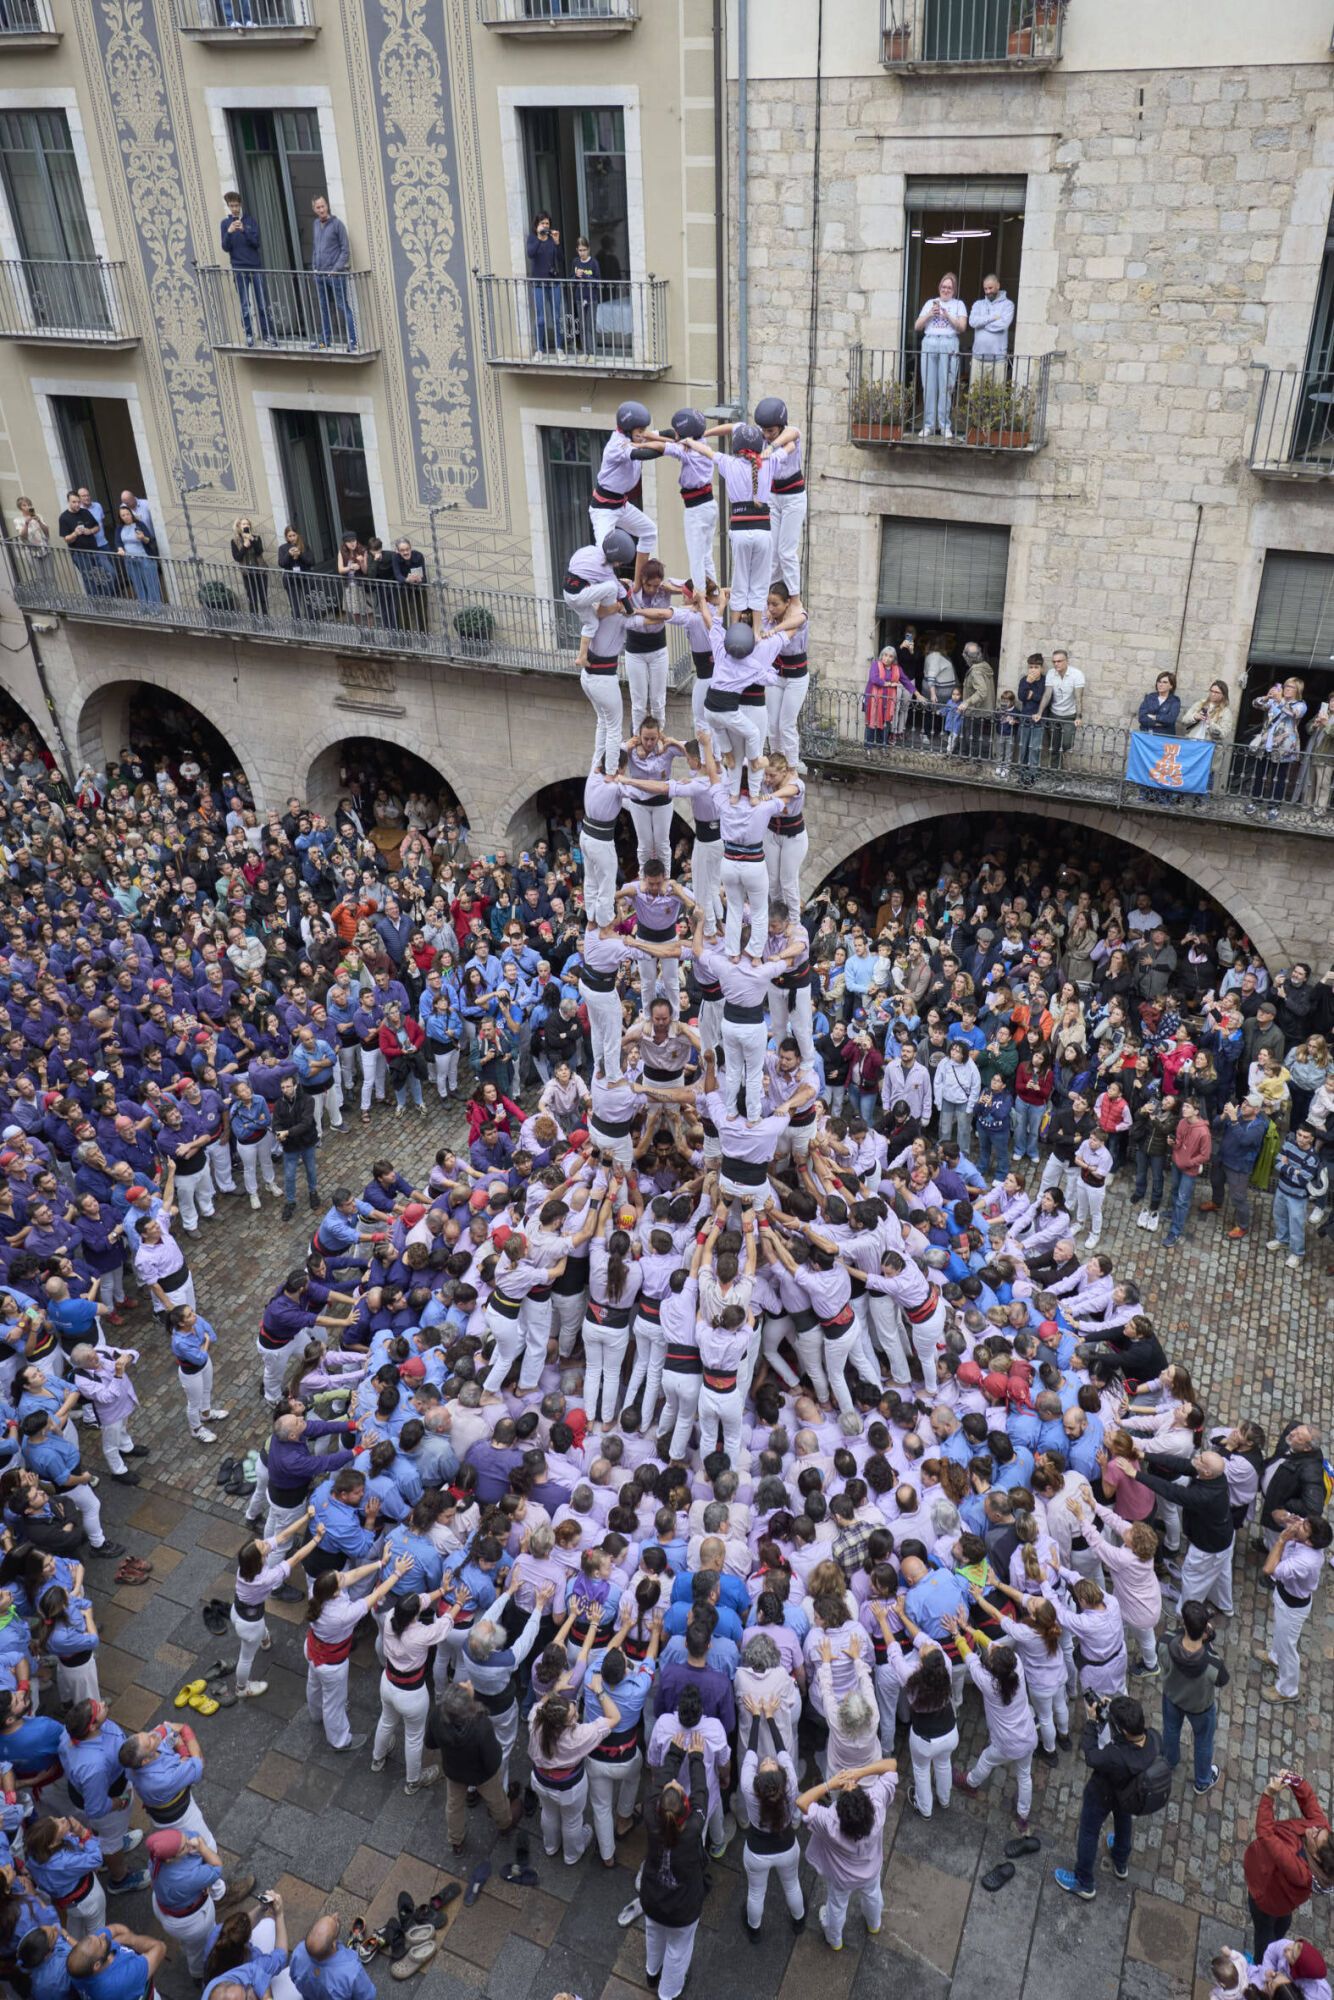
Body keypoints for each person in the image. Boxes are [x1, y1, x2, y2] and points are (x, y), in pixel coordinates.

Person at [1053, 1693, 1163, 1899]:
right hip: (1129, 1793)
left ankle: (1084, 1881)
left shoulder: (1114, 1756)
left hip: (1103, 1794)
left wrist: (1092, 1722)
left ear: (1123, 1731)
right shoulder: (1154, 1739)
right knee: (1123, 1819)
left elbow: (1091, 1756)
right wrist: (1115, 1711)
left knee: (1089, 1831)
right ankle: (1120, 1860)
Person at [796, 1754, 898, 1950]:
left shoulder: (830, 1822)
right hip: (871, 1870)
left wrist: (830, 1784)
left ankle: (834, 1940)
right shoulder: (876, 1805)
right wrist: (860, 1773)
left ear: (840, 1811)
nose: (850, 1784)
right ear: (866, 1801)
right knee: (873, 1895)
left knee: (836, 1907)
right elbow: (891, 1765)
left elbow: (802, 1802)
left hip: (842, 1878)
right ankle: (874, 1924)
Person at [640, 1733, 709, 1999]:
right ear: (686, 1808)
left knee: (653, 1934)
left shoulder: (650, 1816)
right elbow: (701, 1793)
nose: (674, 1782)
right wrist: (696, 1758)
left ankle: (652, 1971)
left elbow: (659, 1783)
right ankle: (668, 1992)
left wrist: (674, 1754)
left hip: (652, 1897)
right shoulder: (693, 1828)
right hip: (683, 1907)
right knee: (678, 1950)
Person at [1243, 1773, 1334, 1959]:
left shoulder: (1299, 1869)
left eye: (1316, 1835)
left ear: (1316, 1856)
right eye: (1319, 1830)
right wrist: (1293, 1779)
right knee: (1281, 1920)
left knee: (1264, 1931)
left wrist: (1268, 1794)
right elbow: (1309, 1801)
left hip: (1266, 1894)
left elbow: (1266, 1834)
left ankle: (1262, 1966)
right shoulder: (1324, 1838)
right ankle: (1277, 1943)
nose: (1314, 1828)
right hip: (1283, 1900)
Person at [1158, 1599, 1227, 1795]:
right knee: (1203, 1742)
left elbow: (1167, 1647)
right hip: (1200, 1708)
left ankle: (1169, 1760)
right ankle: (1202, 1781)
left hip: (1172, 1697)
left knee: (1170, 1730)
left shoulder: (1165, 1642)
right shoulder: (1212, 1664)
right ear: (1205, 1630)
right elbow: (1222, 1680)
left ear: (1184, 1624)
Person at [914, 272, 967, 438]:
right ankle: (928, 425)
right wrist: (930, 314)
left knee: (946, 386)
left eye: (949, 287)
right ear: (939, 287)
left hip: (948, 343)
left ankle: (945, 426)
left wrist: (947, 315)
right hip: (930, 342)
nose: (946, 290)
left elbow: (962, 328)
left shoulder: (959, 304)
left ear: (954, 290)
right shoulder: (930, 303)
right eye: (943, 287)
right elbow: (917, 326)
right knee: (929, 386)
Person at [218, 191, 273, 344]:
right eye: (231, 206)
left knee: (262, 303)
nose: (234, 209)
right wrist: (229, 232)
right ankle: (249, 334)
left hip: (255, 267)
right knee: (245, 304)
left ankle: (268, 334)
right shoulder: (225, 224)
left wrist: (244, 230)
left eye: (236, 205)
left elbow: (256, 243)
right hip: (238, 269)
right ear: (228, 206)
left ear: (240, 205)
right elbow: (225, 247)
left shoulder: (250, 221)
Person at [310, 194, 356, 351]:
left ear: (327, 206)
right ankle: (325, 340)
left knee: (342, 306)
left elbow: (345, 250)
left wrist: (336, 270)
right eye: (318, 207)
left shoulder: (337, 225)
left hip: (335, 275)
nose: (321, 209)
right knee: (323, 308)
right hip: (320, 274)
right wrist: (314, 267)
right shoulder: (316, 224)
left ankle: (353, 341)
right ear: (314, 209)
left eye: (323, 206)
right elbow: (315, 248)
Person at [525, 210, 565, 359]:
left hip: (554, 282)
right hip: (538, 284)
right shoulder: (532, 238)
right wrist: (539, 238)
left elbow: (561, 258)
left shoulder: (551, 239)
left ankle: (559, 348)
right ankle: (539, 349)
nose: (545, 225)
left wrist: (557, 242)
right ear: (537, 225)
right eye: (542, 223)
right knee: (540, 318)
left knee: (556, 316)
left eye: (547, 223)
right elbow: (530, 254)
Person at [1037, 648, 1084, 768]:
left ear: (1066, 661)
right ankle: (1055, 771)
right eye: (1054, 661)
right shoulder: (1051, 673)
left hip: (1069, 715)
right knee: (1054, 746)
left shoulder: (1077, 674)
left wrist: (1078, 717)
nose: (1056, 664)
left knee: (1067, 743)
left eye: (1059, 661)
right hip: (1054, 714)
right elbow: (1047, 695)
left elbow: (1078, 697)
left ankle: (1062, 755)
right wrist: (1039, 712)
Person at [969, 272, 1014, 361]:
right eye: (985, 289)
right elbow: (972, 322)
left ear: (998, 286)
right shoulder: (978, 304)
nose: (988, 291)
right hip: (977, 358)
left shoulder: (1008, 305)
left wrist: (981, 324)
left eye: (990, 288)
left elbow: (1003, 325)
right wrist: (993, 318)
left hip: (998, 359)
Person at [230, 519, 269, 617]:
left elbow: (259, 551)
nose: (246, 525)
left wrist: (251, 539)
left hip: (260, 571)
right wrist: (244, 546)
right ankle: (255, 621)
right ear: (239, 526)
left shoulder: (256, 538)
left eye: (248, 524)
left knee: (263, 597)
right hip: (247, 573)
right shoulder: (235, 541)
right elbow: (237, 557)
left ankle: (266, 621)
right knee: (252, 598)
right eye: (243, 524)